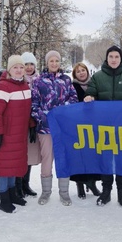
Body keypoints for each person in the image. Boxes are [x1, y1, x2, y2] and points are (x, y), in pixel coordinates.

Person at [84, 45, 122, 207]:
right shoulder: (98, 77)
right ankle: (106, 192)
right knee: (105, 160)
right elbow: (91, 92)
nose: (114, 60)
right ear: (106, 59)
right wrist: (89, 97)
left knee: (121, 161)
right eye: (111, 57)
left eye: (116, 57)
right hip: (104, 128)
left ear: (121, 59)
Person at [31, 50, 78, 206]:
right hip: (45, 128)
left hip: (63, 128)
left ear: (59, 63)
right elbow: (34, 104)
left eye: (56, 61)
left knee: (63, 158)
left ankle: (64, 193)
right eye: (51, 61)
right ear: (47, 62)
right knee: (47, 158)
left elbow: (73, 98)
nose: (54, 63)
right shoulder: (39, 81)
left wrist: (63, 113)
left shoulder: (66, 80)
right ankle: (46, 192)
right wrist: (46, 117)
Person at [0, 55, 32, 213]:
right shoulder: (2, 86)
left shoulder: (25, 86)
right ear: (9, 69)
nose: (19, 70)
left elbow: (26, 112)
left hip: (19, 134)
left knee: (14, 165)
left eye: (21, 67)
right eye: (15, 67)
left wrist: (32, 125)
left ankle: (13, 195)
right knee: (3, 167)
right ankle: (4, 199)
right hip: (6, 135)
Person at [70, 62, 101, 199]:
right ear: (75, 74)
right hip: (77, 126)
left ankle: (92, 183)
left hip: (94, 126)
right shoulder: (72, 86)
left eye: (83, 70)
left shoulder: (94, 85)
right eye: (78, 71)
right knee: (79, 155)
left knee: (93, 155)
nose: (81, 73)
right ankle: (80, 184)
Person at [16, 51, 40, 198]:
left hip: (33, 124)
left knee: (29, 155)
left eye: (32, 64)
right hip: (19, 124)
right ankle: (17, 184)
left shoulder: (38, 81)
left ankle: (26, 183)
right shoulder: (18, 81)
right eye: (26, 64)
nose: (29, 67)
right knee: (19, 154)